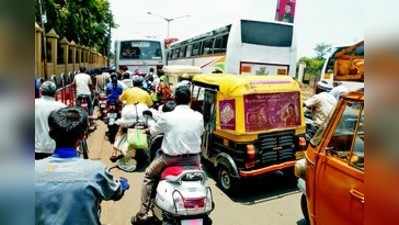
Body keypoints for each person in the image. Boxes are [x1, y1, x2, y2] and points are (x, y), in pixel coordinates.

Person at [35, 107, 129, 225]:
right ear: (82, 136)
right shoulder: (96, 171)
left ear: (51, 134)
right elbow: (116, 193)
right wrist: (122, 184)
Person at [131, 86, 204, 225]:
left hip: (170, 159)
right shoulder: (198, 116)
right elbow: (199, 133)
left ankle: (142, 213)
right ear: (190, 99)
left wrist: (147, 131)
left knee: (148, 175)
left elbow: (154, 131)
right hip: (194, 159)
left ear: (175, 99)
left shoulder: (167, 116)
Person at [35, 81, 67, 160]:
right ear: (55, 93)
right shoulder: (62, 106)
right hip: (55, 149)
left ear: (41, 91)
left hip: (36, 149)